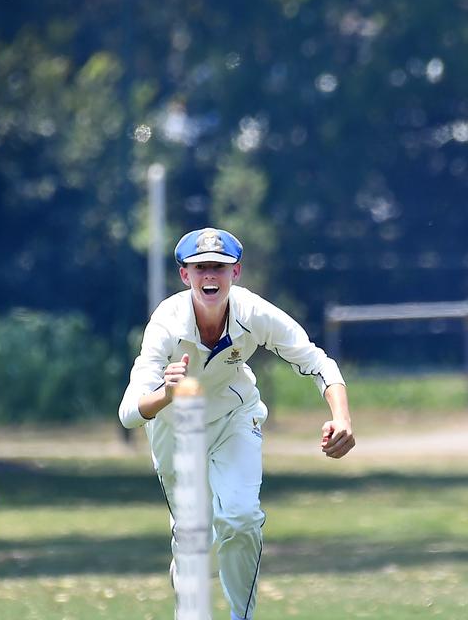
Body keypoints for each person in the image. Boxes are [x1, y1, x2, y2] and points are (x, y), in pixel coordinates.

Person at [118, 227, 356, 620]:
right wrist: (166, 394)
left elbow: (317, 361)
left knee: (241, 519)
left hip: (235, 417)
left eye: (219, 268)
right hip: (175, 430)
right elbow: (128, 412)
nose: (210, 277)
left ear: (236, 272)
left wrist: (342, 417)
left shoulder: (252, 313)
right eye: (200, 269)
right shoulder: (166, 323)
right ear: (184, 275)